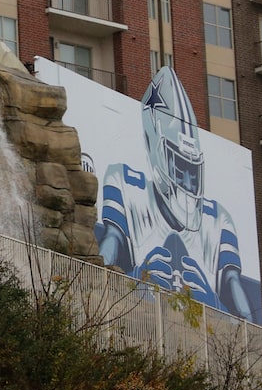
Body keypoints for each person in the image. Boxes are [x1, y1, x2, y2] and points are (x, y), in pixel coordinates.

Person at [98, 66, 252, 321]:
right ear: (153, 147)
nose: (188, 179)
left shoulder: (218, 219)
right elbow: (105, 256)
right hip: (137, 319)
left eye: (193, 171)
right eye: (181, 169)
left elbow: (245, 317)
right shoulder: (124, 184)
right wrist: (136, 279)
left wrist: (211, 304)